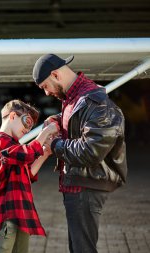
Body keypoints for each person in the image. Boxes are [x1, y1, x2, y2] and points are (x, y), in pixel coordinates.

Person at [32, 54, 128, 253]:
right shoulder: (75, 98)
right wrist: (56, 121)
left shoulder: (94, 101)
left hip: (86, 185)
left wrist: (55, 144)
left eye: (45, 86)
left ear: (55, 74)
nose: (47, 93)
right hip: (80, 184)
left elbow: (91, 150)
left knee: (82, 249)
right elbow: (79, 123)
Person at [0, 99, 59, 253]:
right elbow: (25, 155)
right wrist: (45, 132)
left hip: (21, 210)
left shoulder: (13, 145)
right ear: (13, 116)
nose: (28, 129)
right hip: (7, 210)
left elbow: (28, 174)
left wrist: (45, 153)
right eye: (26, 122)